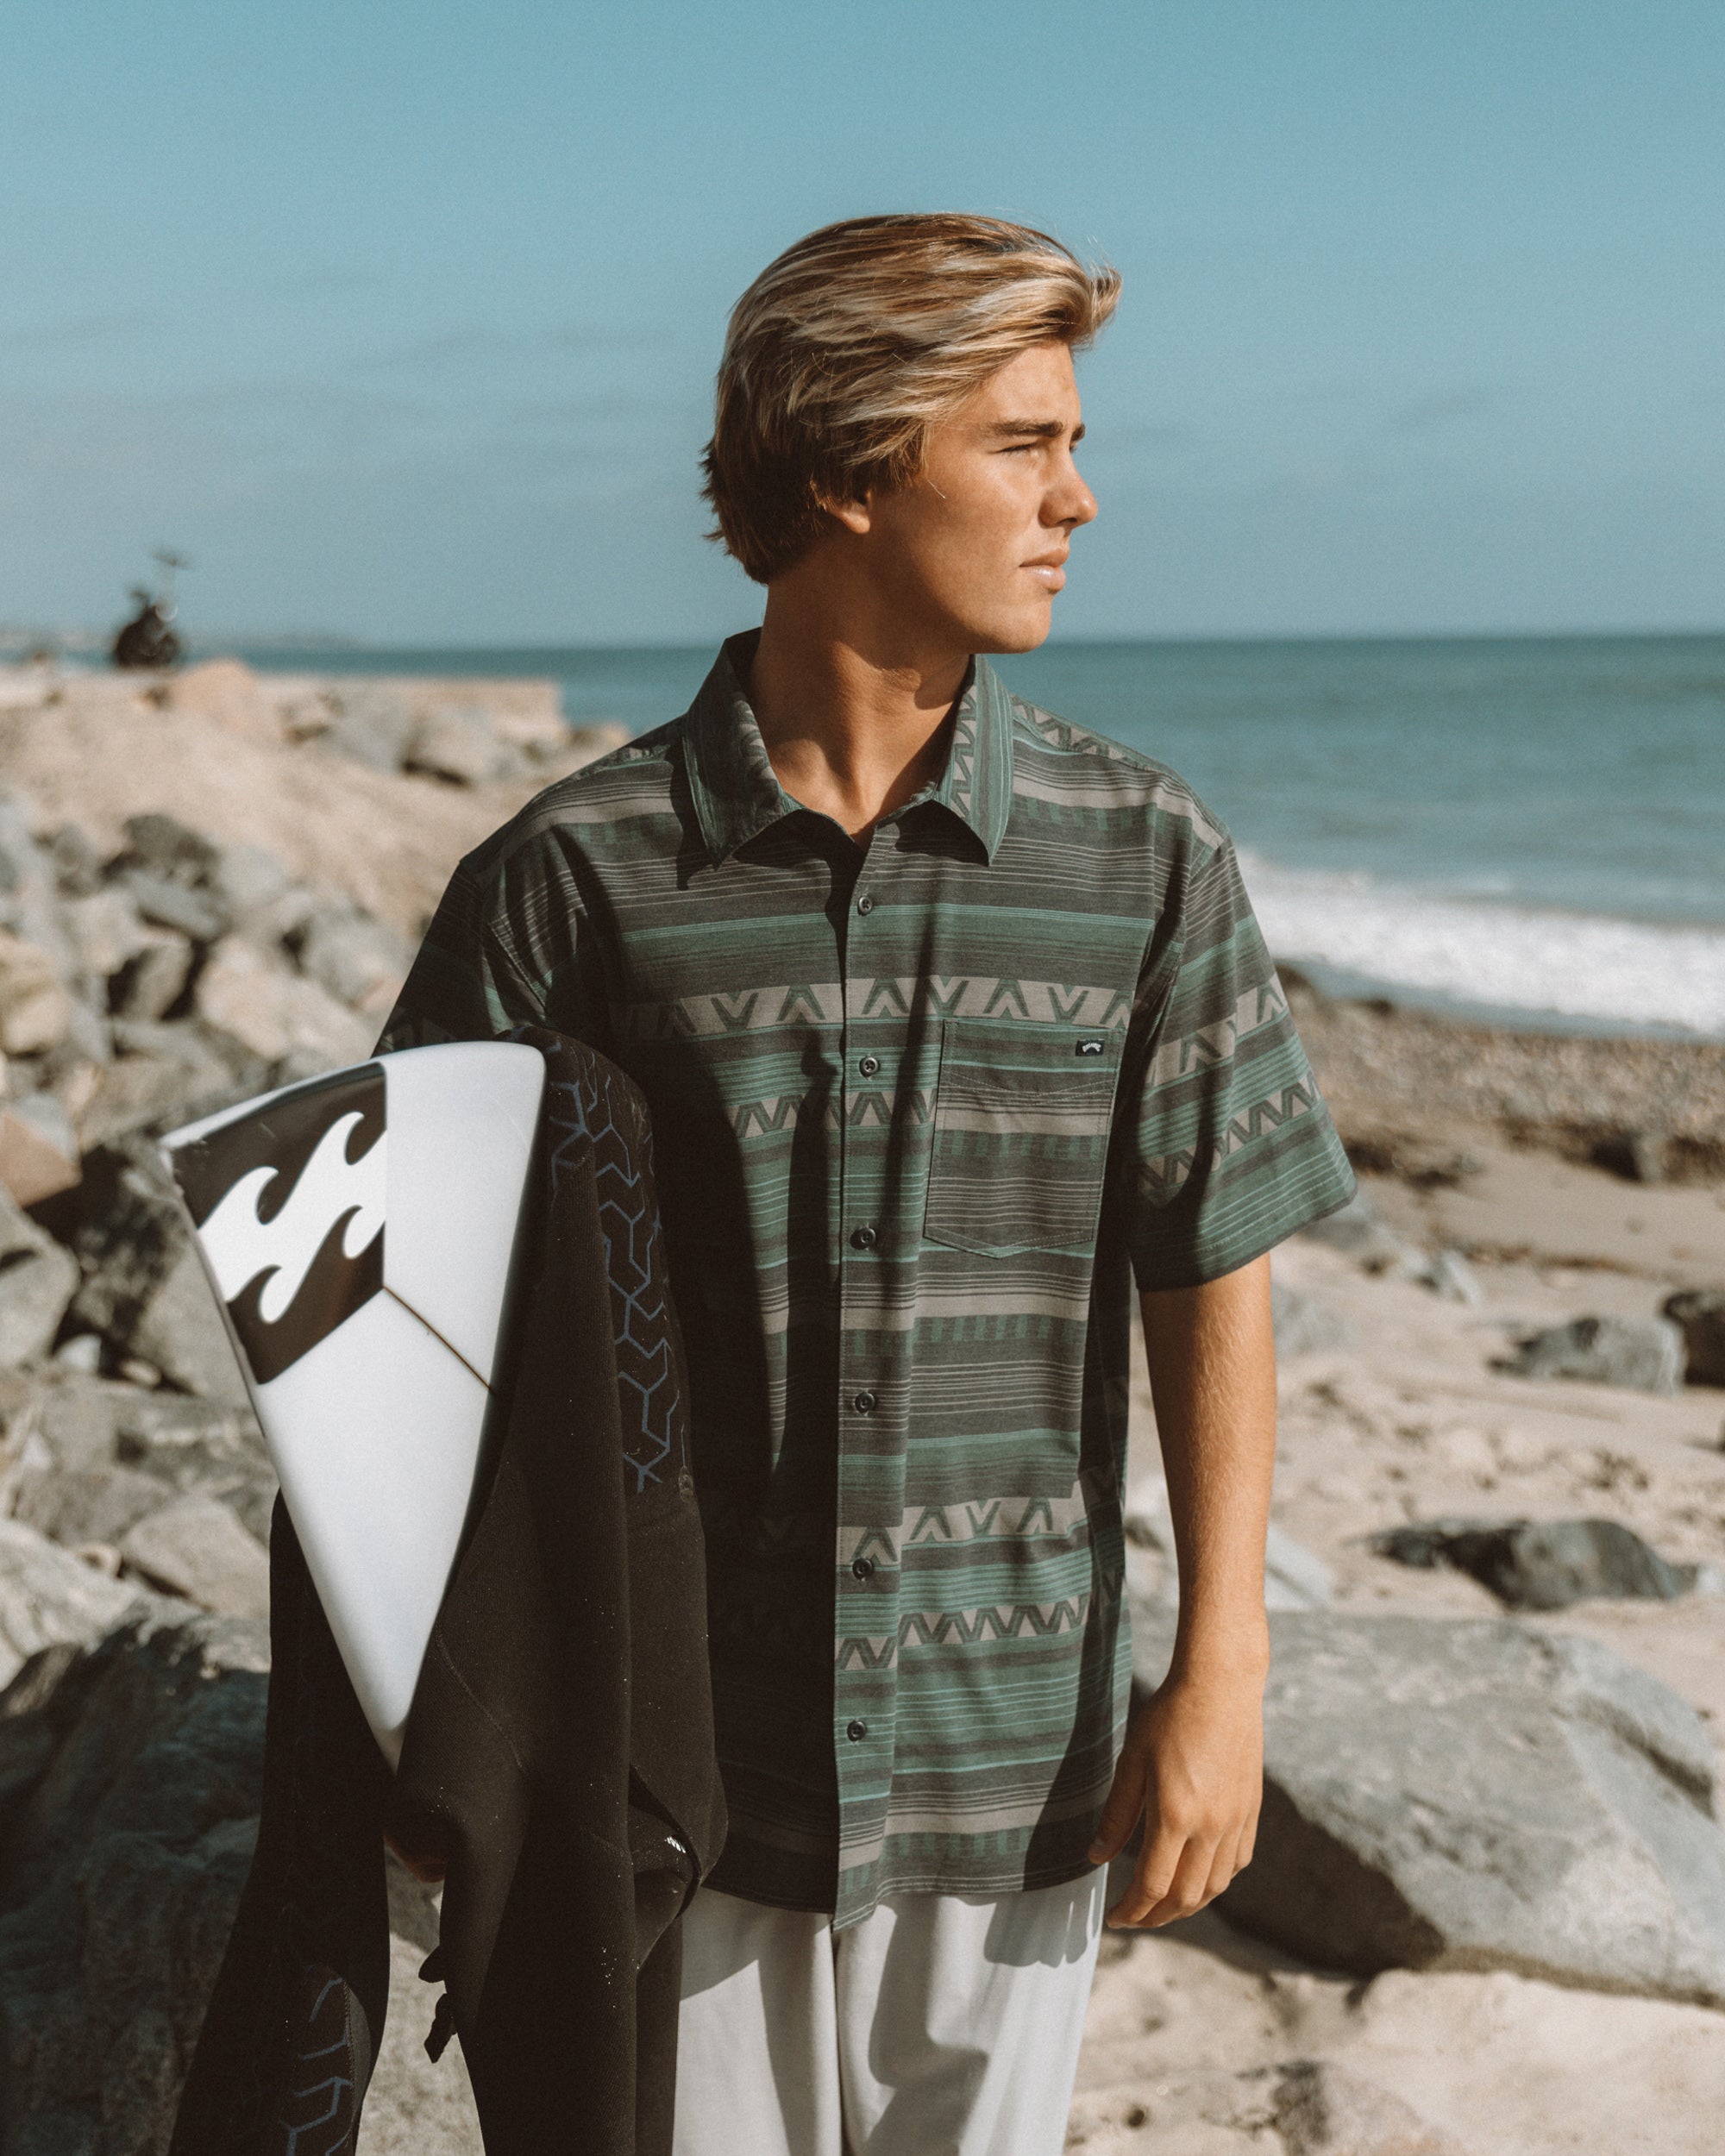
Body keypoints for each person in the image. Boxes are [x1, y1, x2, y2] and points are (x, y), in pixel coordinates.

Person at [377, 212, 1355, 2156]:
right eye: (1022, 443)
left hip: (1018, 1764)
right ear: (847, 469)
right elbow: (414, 1329)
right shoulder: (574, 880)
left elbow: (1210, 1260)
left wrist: (1221, 1671)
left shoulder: (1144, 856)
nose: (1077, 497)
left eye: (1070, 441)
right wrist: (448, 1734)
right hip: (678, 1776)